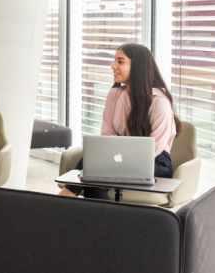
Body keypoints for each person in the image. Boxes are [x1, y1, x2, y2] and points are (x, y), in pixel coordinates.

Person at [58, 43, 180, 200]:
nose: (113, 66)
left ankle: (66, 197)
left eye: (120, 62)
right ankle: (102, 218)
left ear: (138, 67)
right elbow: (107, 134)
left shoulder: (159, 102)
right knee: (94, 171)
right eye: (114, 60)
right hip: (118, 156)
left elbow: (153, 149)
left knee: (96, 169)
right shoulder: (114, 95)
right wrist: (112, 157)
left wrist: (112, 159)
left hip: (154, 162)